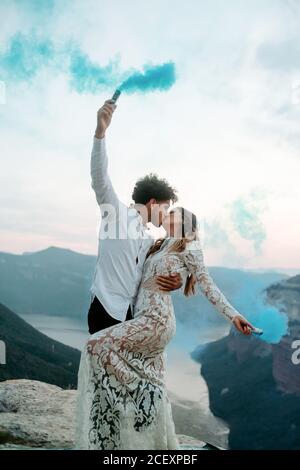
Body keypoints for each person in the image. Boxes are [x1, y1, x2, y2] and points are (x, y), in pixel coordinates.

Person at [75, 203, 255, 450]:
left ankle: (138, 396)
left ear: (184, 223)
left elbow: (208, 285)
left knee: (96, 345)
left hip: (157, 321)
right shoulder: (158, 244)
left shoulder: (190, 247)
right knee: (154, 385)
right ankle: (143, 439)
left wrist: (234, 316)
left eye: (173, 214)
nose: (167, 216)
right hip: (140, 317)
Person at [87, 99, 183, 335]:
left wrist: (178, 281)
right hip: (105, 309)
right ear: (152, 202)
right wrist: (100, 132)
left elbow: (162, 267)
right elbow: (100, 178)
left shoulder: (149, 239)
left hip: (130, 315)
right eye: (165, 207)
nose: (166, 214)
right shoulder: (115, 213)